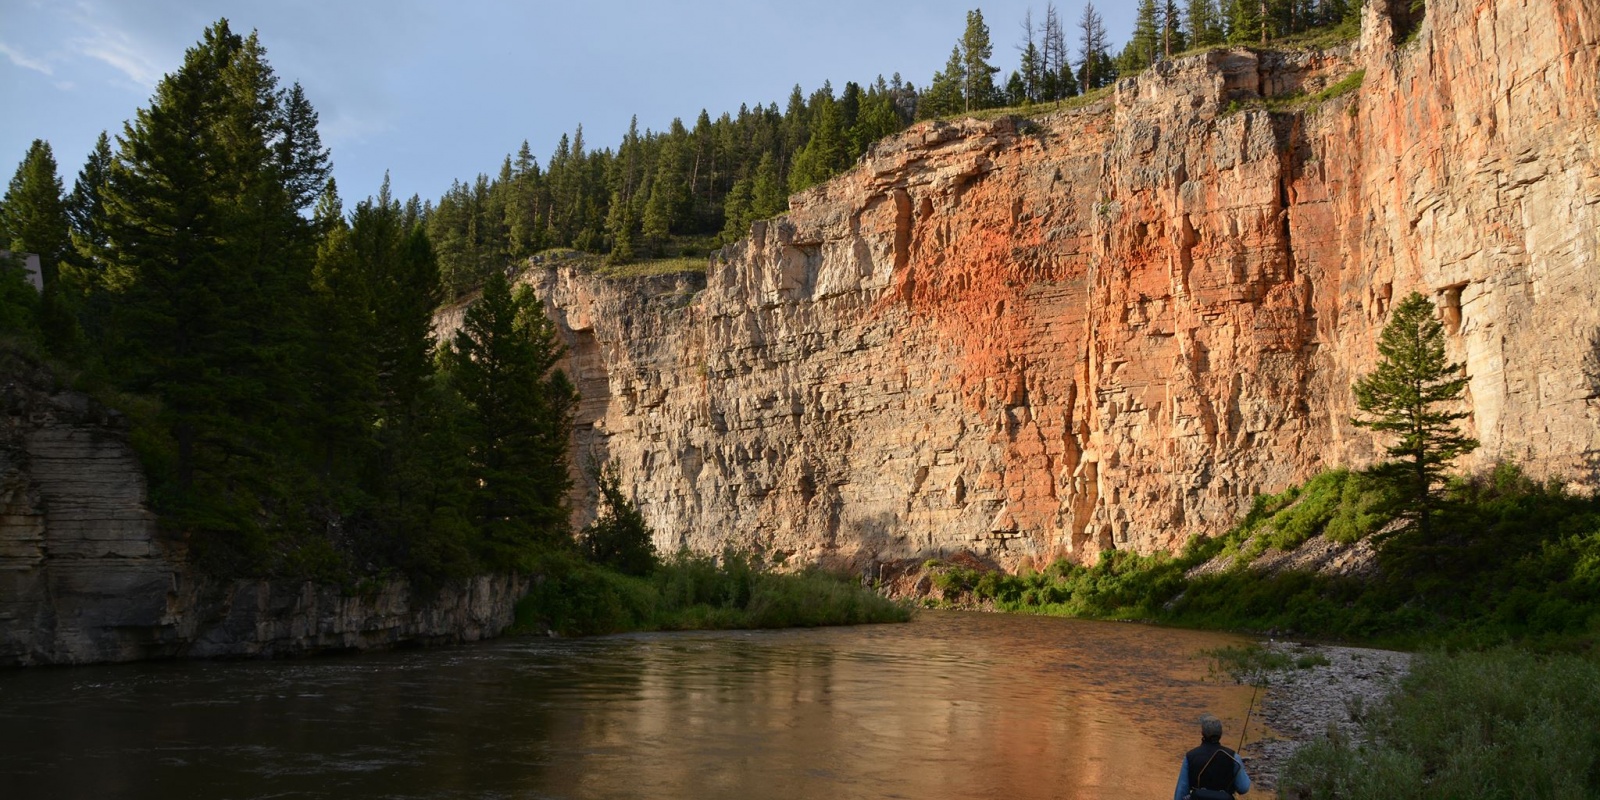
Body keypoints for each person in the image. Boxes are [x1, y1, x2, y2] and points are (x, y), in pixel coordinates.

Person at [1173, 714, 1251, 800]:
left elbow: (1180, 794)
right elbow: (1244, 788)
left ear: (1202, 733)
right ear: (1220, 734)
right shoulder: (1233, 757)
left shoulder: (1190, 757)